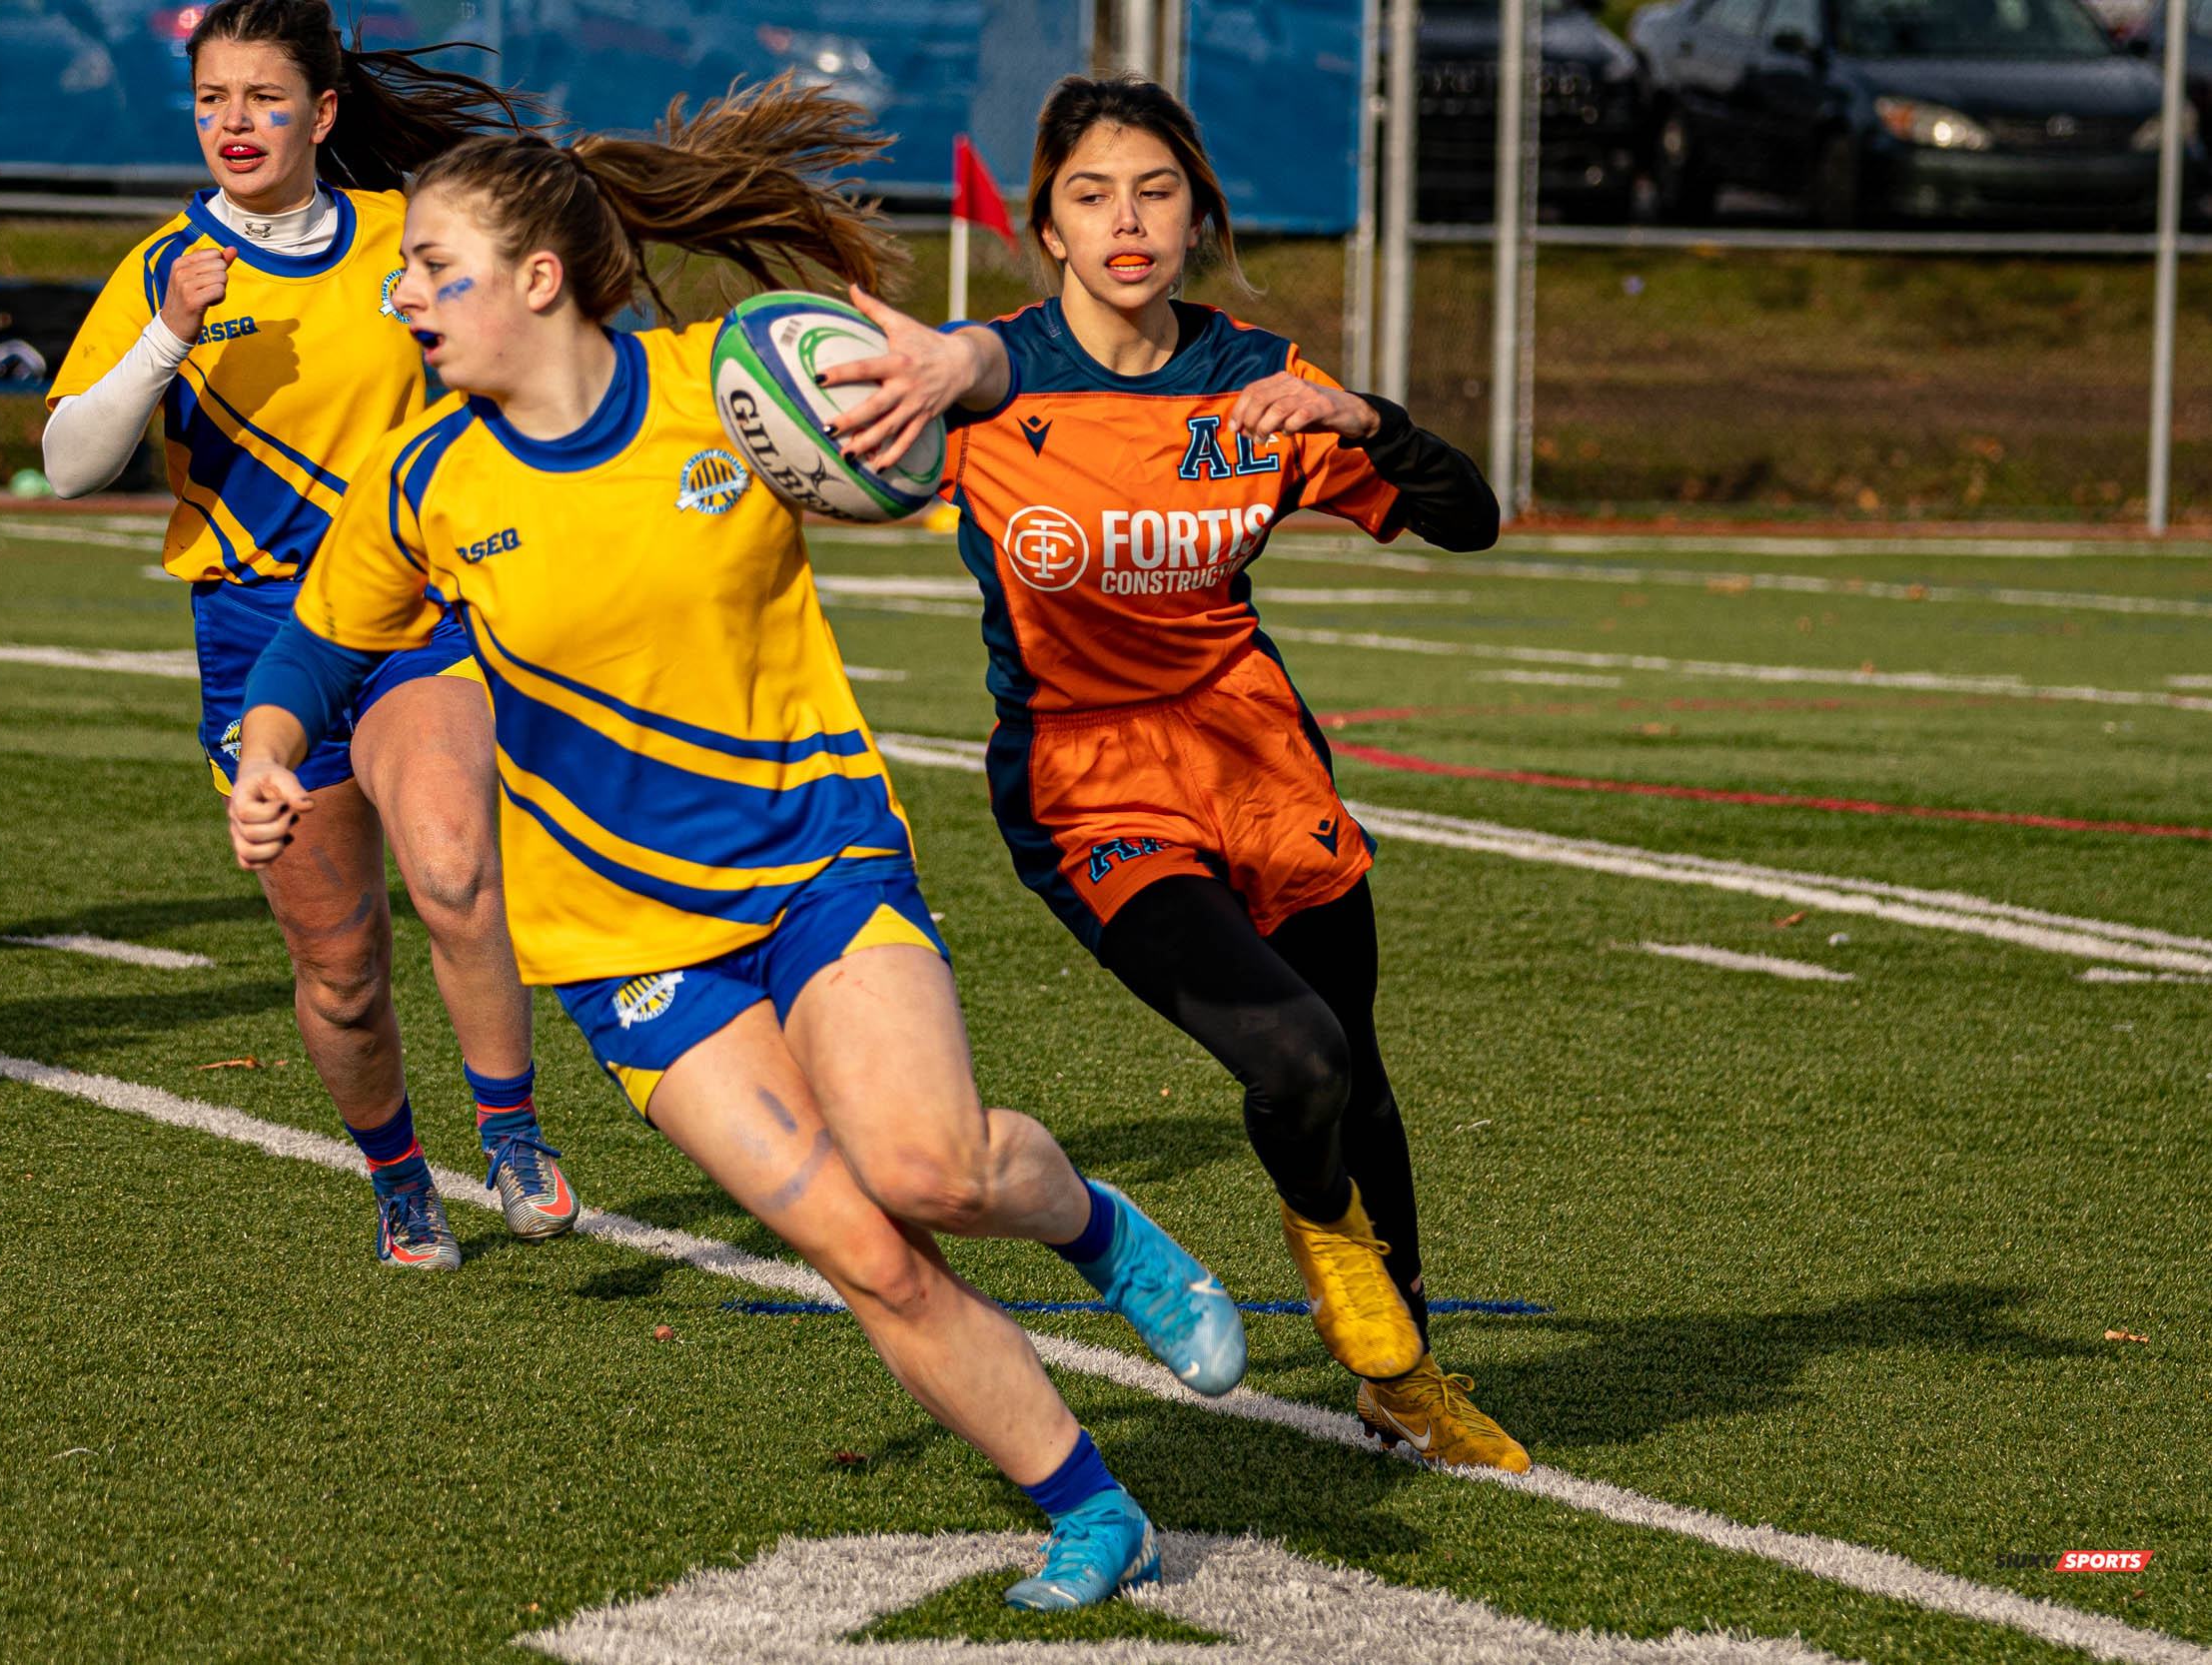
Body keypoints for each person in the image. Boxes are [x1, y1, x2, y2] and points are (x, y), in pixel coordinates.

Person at [224, 96, 1247, 1609]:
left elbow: (961, 390)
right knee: (862, 1247)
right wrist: (261, 755)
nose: (403, 296)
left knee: (929, 1168)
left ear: (538, 278)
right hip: (627, 942)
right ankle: (1094, 1507)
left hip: (819, 855)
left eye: (432, 267)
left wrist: (942, 375)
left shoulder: (736, 383)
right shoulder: (427, 480)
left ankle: (1098, 1225)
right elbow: (311, 656)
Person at [822, 74, 1529, 1472]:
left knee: (1358, 1075)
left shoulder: (1250, 378)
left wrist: (1367, 418)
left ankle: (1407, 1379)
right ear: (1049, 228)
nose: (1125, 220)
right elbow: (901, 403)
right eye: (1091, 195)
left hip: (1257, 754)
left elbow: (1473, 521)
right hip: (1089, 782)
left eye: (1153, 190)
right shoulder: (989, 382)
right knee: (1293, 1050)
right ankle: (1334, 1257)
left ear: (1198, 213)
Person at [44, 0, 572, 1269]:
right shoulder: (163, 265)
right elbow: (69, 464)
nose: (235, 123)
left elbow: (537, 354)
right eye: (212, 99)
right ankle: (400, 1178)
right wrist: (168, 332)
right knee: (340, 968)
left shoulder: (405, 240)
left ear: (322, 114)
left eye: (263, 99)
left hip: (407, 612)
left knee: (453, 871)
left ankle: (511, 1132)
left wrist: (459, 330)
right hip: (254, 631)